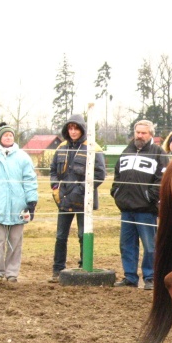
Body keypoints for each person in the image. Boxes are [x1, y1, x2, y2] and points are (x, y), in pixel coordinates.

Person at [0, 122, 39, 283]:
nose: (9, 137)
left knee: (16, 242)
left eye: (11, 135)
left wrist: (31, 201)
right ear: (0, 138)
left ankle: (12, 273)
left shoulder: (23, 157)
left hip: (18, 206)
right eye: (5, 135)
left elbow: (30, 180)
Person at [110, 120, 169, 290]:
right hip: (126, 209)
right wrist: (116, 192)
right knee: (126, 245)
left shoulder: (158, 153)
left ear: (151, 134)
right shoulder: (126, 151)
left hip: (146, 210)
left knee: (150, 246)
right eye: (137, 132)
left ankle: (150, 277)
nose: (140, 136)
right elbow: (117, 174)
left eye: (143, 133)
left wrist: (149, 198)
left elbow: (162, 179)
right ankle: (130, 277)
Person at [48, 114, 107, 283]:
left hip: (83, 200)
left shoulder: (93, 147)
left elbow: (100, 174)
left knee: (83, 234)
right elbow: (53, 171)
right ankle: (57, 270)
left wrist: (81, 190)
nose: (73, 131)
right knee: (60, 236)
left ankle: (84, 266)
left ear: (82, 129)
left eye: (76, 128)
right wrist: (55, 187)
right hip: (63, 200)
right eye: (70, 128)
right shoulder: (61, 147)